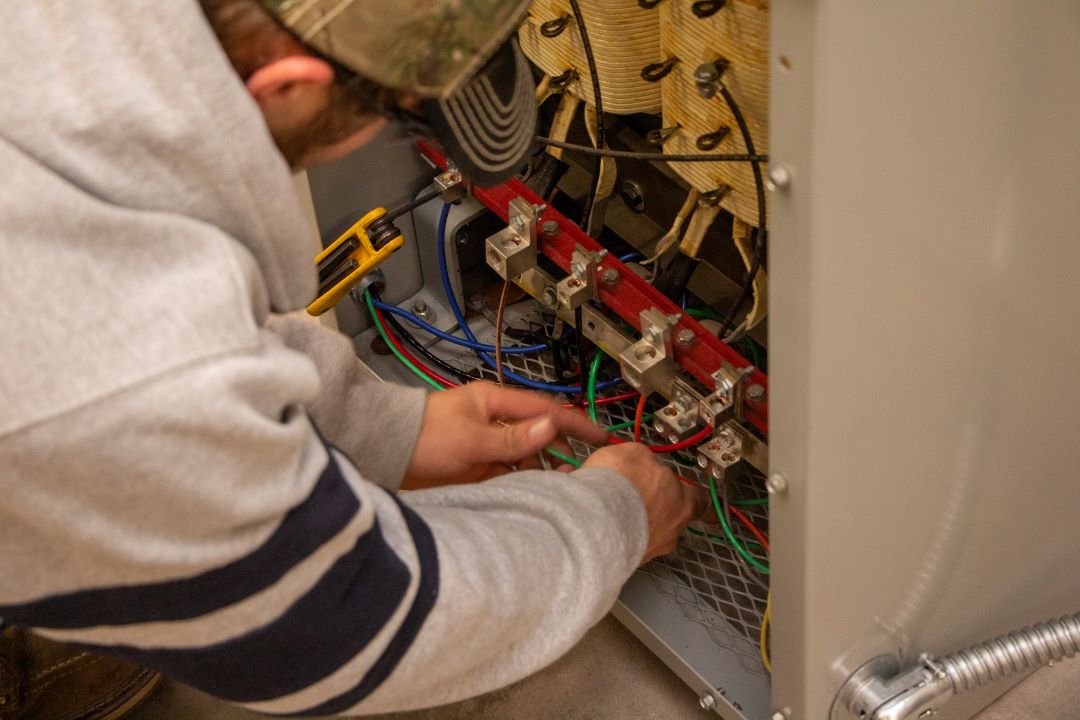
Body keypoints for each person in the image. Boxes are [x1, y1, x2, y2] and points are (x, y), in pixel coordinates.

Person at [0, 0, 706, 717]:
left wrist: (384, 428)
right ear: (286, 85)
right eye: (404, 115)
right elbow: (340, 623)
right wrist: (614, 520)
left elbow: (141, 278)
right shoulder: (115, 369)